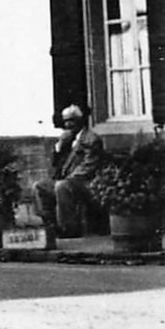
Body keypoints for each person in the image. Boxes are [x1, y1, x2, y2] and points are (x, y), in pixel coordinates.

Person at [35, 103, 105, 242]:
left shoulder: (91, 139)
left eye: (71, 120)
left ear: (80, 120)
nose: (68, 125)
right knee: (40, 186)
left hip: (87, 183)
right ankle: (50, 225)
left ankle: (68, 228)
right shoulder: (67, 139)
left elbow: (88, 166)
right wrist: (59, 146)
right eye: (65, 121)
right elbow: (54, 164)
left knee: (62, 186)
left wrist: (69, 179)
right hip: (68, 181)